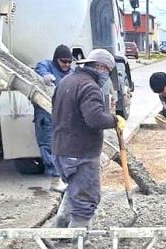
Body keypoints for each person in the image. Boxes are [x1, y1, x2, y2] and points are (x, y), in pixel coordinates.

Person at [51, 49, 126, 228]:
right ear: (100, 67)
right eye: (107, 71)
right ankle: (79, 248)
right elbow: (95, 119)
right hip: (80, 153)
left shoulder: (66, 81)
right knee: (85, 200)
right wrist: (115, 120)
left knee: (74, 190)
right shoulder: (89, 86)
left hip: (61, 150)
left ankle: (59, 231)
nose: (107, 75)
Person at [33, 44, 73, 192]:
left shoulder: (71, 73)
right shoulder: (46, 65)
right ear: (56, 59)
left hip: (63, 116)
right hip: (46, 114)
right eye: (64, 61)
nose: (67, 65)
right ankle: (55, 181)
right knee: (48, 146)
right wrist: (45, 76)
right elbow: (40, 69)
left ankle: (64, 177)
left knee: (65, 148)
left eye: (69, 62)